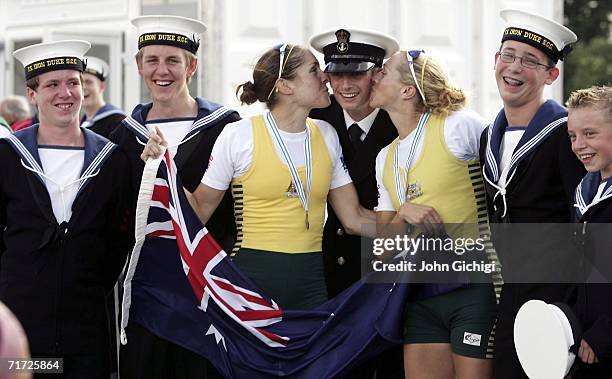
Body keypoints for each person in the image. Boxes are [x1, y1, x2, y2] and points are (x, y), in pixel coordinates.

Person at [142, 42, 375, 312]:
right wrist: (161, 167)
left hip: (312, 285)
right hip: (250, 285)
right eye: (314, 70)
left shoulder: (326, 134)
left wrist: (420, 236)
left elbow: (354, 219)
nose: (325, 76)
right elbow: (200, 210)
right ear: (284, 86)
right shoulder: (239, 135)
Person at [112, 15, 240, 379]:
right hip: (147, 288)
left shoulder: (226, 127)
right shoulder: (123, 134)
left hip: (206, 286)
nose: (161, 71)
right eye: (151, 60)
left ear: (192, 66)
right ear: (138, 65)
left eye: (173, 60)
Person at [1, 40, 131, 378]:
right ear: (32, 94)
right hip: (22, 321)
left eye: (73, 82)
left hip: (86, 328)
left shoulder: (111, 159)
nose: (66, 93)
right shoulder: (8, 155)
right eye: (52, 84)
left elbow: (119, 237)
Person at [371, 49, 496, 379]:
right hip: (420, 294)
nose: (373, 76)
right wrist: (403, 213)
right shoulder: (385, 157)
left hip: (474, 288)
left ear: (407, 90)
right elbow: (384, 243)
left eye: (383, 72)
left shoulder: (459, 126)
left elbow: (507, 184)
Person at [479, 9, 586, 378]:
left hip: (556, 294)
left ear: (550, 74)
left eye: (530, 61)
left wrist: (578, 310)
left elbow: (584, 221)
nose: (514, 67)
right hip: (509, 290)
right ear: (495, 60)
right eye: (507, 55)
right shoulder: (487, 135)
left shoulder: (565, 133)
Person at [309, 27, 403, 379]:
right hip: (327, 274)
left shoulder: (402, 124)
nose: (345, 85)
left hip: (383, 274)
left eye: (357, 73)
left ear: (377, 74)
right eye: (336, 74)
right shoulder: (315, 121)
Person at [566, 85, 612, 378]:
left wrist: (604, 333)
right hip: (585, 343)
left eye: (590, 134)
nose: (578, 145)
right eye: (572, 136)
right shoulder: (584, 190)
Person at [81, 56, 126, 138]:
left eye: (88, 82)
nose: (83, 87)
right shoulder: (81, 122)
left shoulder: (118, 122)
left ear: (101, 86)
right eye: (79, 83)